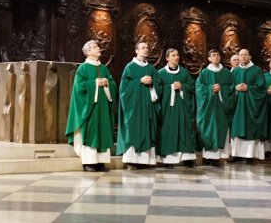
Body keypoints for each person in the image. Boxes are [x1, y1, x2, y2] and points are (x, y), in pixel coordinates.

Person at [65, 39, 115, 172]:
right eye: (95, 47)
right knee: (91, 132)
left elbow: (112, 84)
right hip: (90, 108)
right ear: (87, 52)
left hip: (102, 107)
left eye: (98, 46)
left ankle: (101, 161)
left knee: (102, 131)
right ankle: (89, 162)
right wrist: (95, 83)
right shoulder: (83, 68)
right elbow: (79, 88)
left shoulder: (104, 68)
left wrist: (107, 84)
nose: (98, 48)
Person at [116, 41, 162, 169]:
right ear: (136, 51)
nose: (146, 49)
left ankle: (147, 161)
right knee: (133, 129)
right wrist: (139, 81)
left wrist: (152, 84)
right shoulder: (130, 67)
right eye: (143, 48)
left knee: (148, 129)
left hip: (147, 107)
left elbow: (159, 86)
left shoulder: (152, 69)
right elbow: (123, 88)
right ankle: (132, 161)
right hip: (134, 107)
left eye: (147, 47)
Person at [157, 48, 196, 167]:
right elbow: (157, 90)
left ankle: (187, 158)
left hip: (183, 107)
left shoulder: (184, 72)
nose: (177, 57)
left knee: (185, 130)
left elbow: (191, 86)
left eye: (177, 55)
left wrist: (183, 86)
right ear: (167, 58)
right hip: (168, 108)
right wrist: (170, 88)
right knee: (168, 131)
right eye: (173, 55)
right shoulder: (161, 73)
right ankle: (168, 160)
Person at [196, 49, 235, 167]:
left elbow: (231, 89)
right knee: (208, 130)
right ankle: (207, 157)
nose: (216, 57)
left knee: (220, 129)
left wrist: (221, 89)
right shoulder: (204, 73)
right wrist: (210, 89)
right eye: (213, 55)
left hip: (222, 108)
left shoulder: (227, 73)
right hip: (208, 109)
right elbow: (199, 89)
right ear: (209, 58)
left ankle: (217, 158)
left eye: (218, 55)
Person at [229, 48, 266, 162]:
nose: (243, 57)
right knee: (236, 126)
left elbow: (262, 88)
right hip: (237, 105)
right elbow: (229, 87)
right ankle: (236, 154)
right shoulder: (235, 71)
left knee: (249, 128)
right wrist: (235, 88)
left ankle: (249, 156)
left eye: (246, 54)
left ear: (250, 56)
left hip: (251, 105)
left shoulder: (257, 70)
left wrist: (248, 88)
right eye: (241, 55)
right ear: (238, 57)